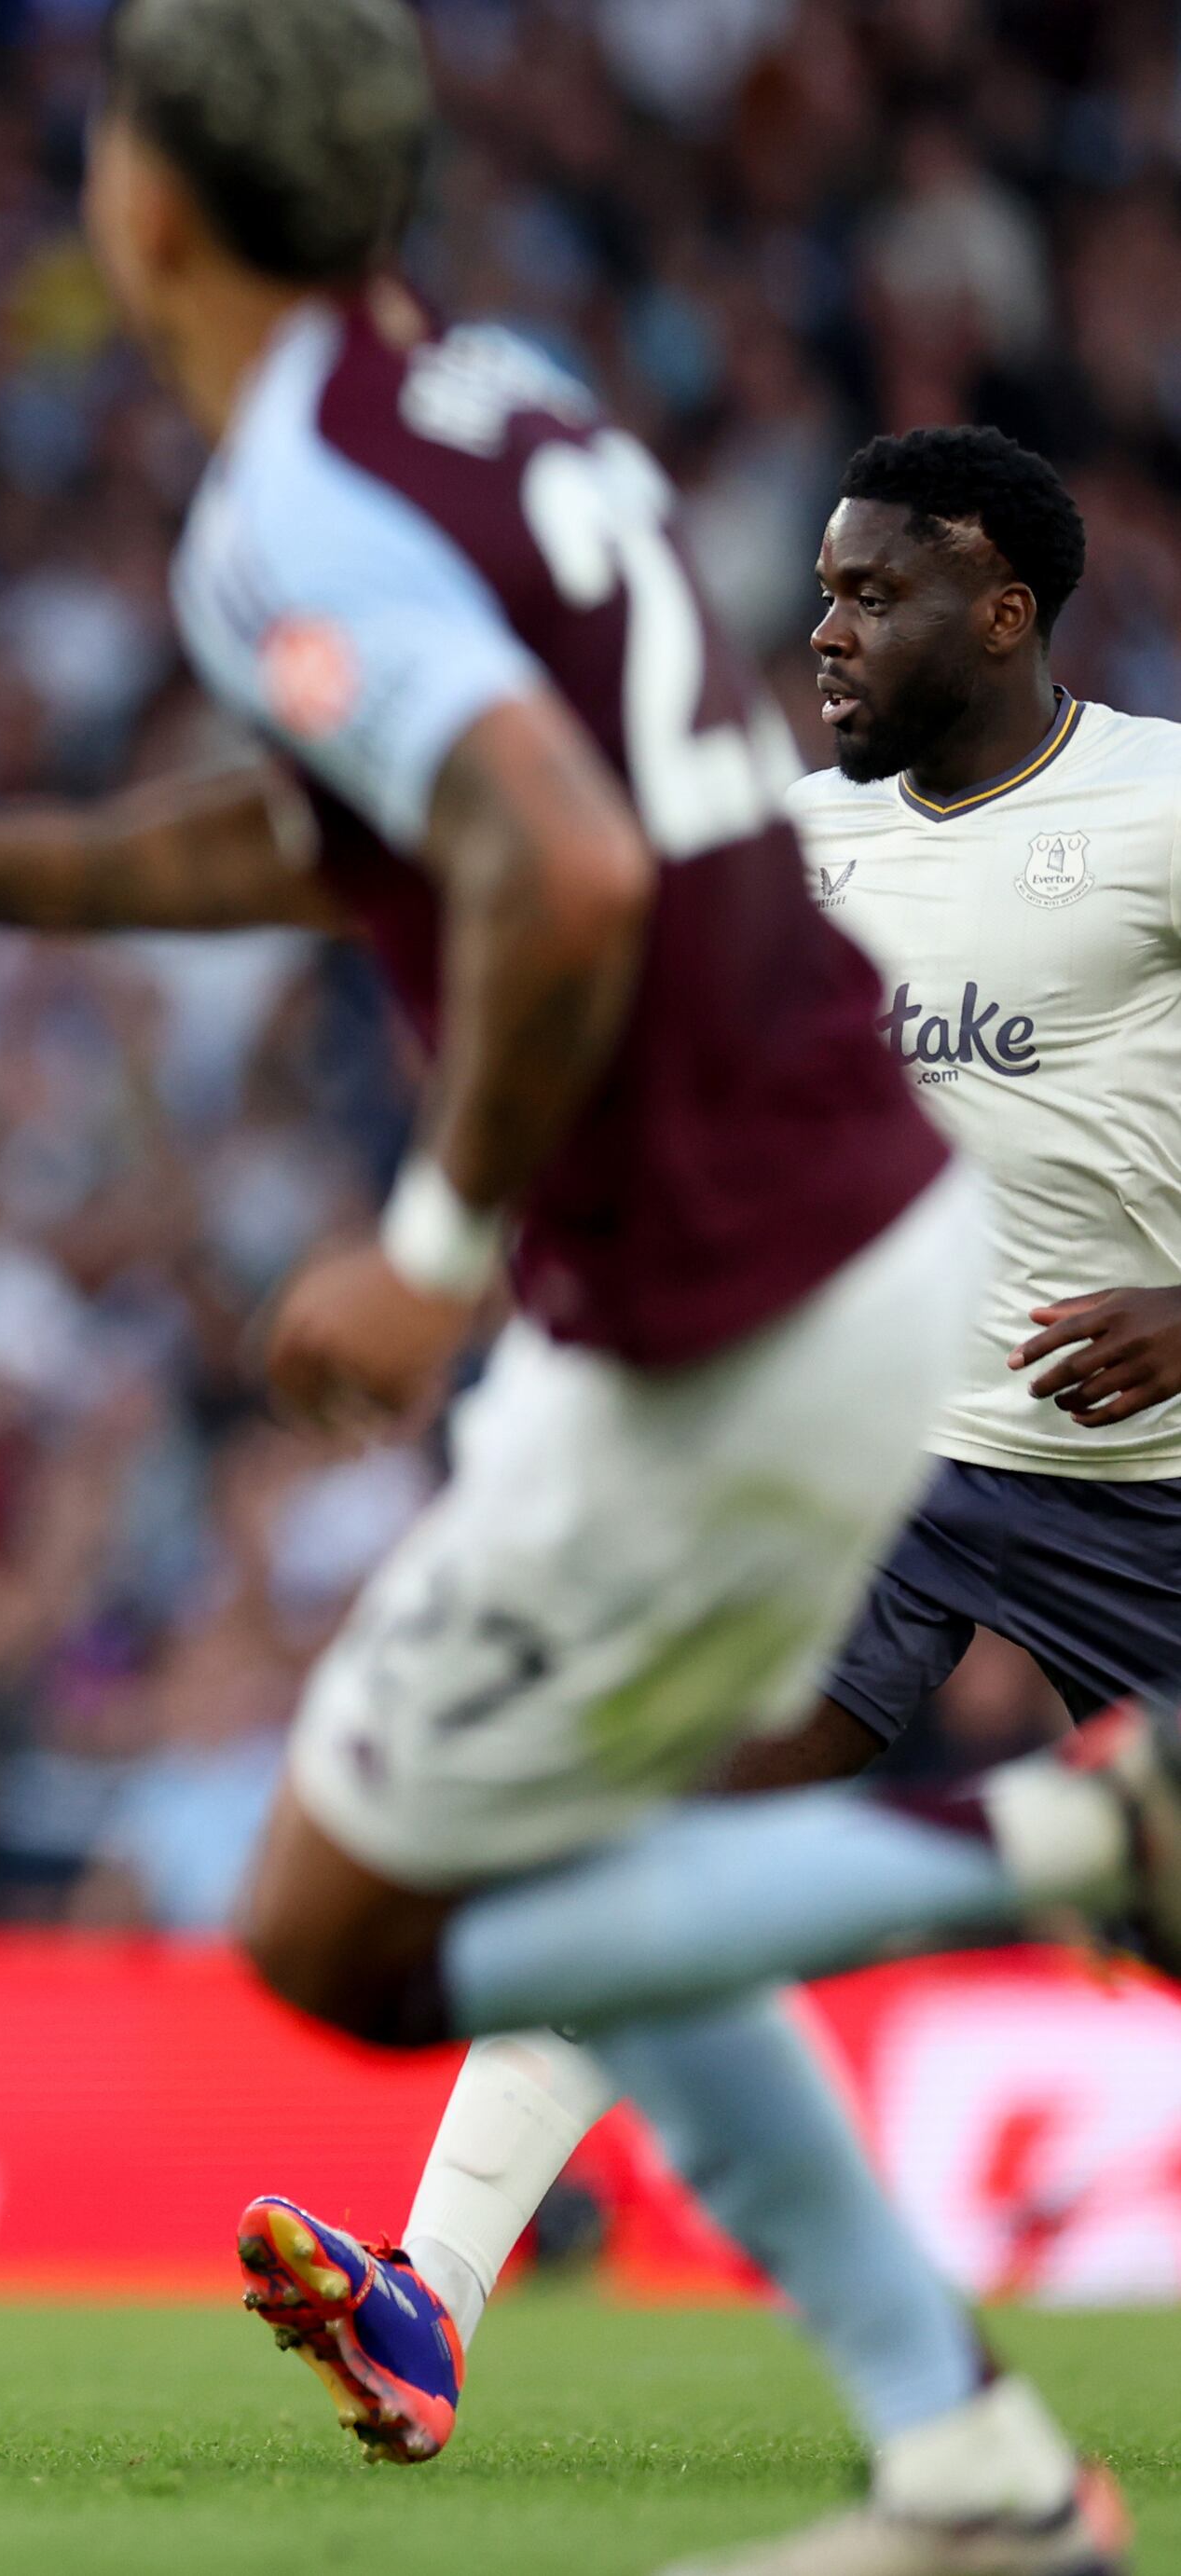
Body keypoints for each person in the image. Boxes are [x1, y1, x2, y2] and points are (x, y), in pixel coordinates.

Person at [0, 5, 1169, 2568]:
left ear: (148, 209)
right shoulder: (505, 406)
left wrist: (423, 1248)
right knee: (581, 1851)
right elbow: (364, 814)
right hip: (865, 1331)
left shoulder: (287, 502)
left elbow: (557, 868)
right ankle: (951, 2453)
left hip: (721, 1312)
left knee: (361, 1917)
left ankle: (1059, 1844)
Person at [247, 425, 1181, 2471]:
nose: (824, 630)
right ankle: (429, 2292)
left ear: (1003, 610)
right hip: (890, 1461)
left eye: (873, 595)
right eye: (822, 590)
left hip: (1152, 1487)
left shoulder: (1159, 807)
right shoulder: (789, 840)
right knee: (647, 1828)